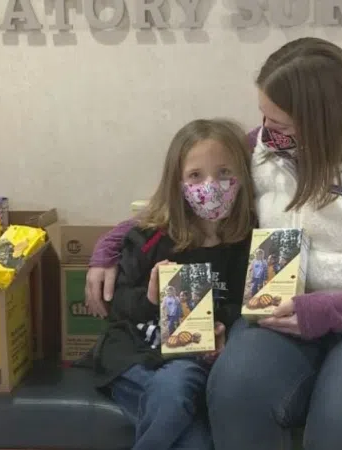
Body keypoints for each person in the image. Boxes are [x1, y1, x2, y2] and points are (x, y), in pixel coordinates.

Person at [85, 37, 342, 450]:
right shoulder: (266, 147)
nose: (265, 132)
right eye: (264, 116)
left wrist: (324, 310)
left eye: (278, 124)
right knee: (235, 392)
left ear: (320, 122)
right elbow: (180, 203)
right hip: (282, 317)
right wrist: (110, 245)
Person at [78, 118, 255, 450]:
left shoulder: (249, 245)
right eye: (196, 175)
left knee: (183, 391)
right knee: (181, 405)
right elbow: (117, 306)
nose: (211, 186)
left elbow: (249, 306)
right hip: (135, 356)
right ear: (178, 182)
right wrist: (151, 299)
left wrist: (222, 326)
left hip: (194, 361)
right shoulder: (150, 237)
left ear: (243, 177)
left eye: (224, 173)